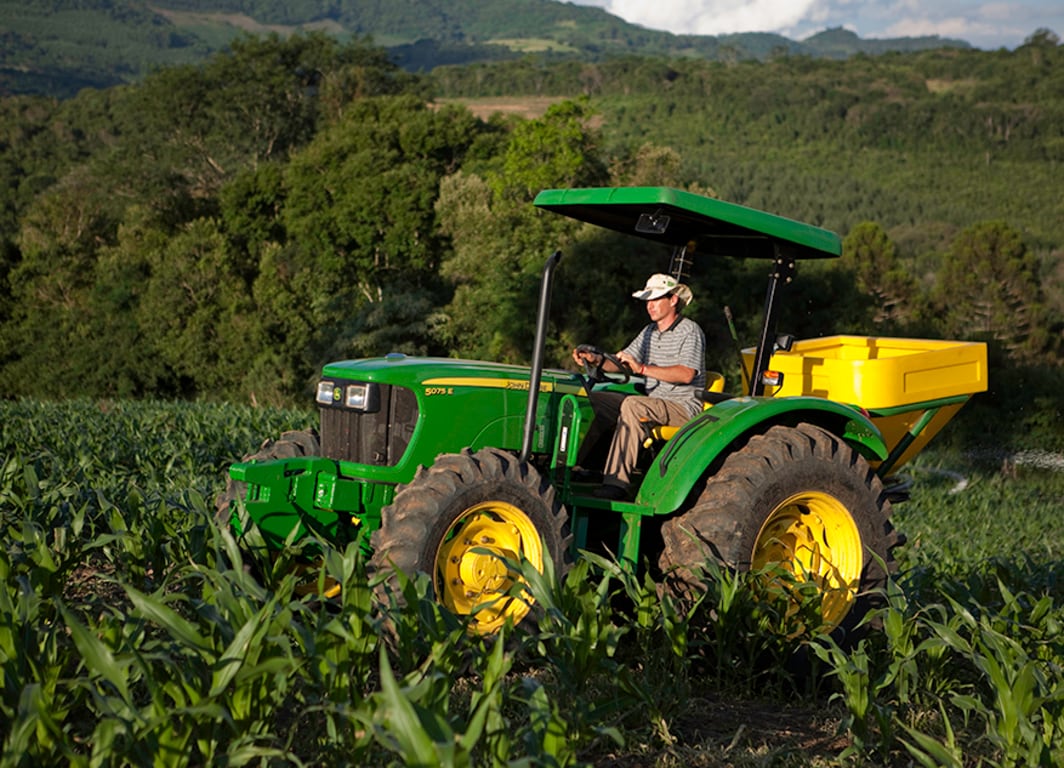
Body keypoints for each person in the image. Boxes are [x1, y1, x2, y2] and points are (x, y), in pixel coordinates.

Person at [572, 273, 706, 500]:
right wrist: (596, 360)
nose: (650, 305)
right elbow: (622, 363)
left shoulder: (690, 331)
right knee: (592, 398)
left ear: (673, 300)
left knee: (633, 405)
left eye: (655, 299)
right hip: (654, 402)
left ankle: (616, 484)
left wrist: (643, 369)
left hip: (681, 407)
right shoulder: (648, 332)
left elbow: (686, 374)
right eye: (648, 300)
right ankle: (577, 468)